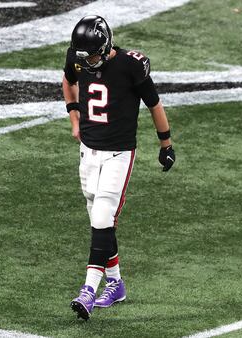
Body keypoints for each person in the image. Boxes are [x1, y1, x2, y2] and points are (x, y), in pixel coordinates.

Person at [62, 15, 175, 320]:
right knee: (100, 221)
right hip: (88, 151)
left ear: (107, 44)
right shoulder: (79, 57)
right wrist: (74, 118)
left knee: (102, 217)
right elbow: (68, 82)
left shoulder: (130, 65)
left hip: (118, 154)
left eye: (94, 56)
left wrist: (166, 144)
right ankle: (116, 283)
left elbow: (154, 104)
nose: (88, 63)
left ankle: (88, 291)